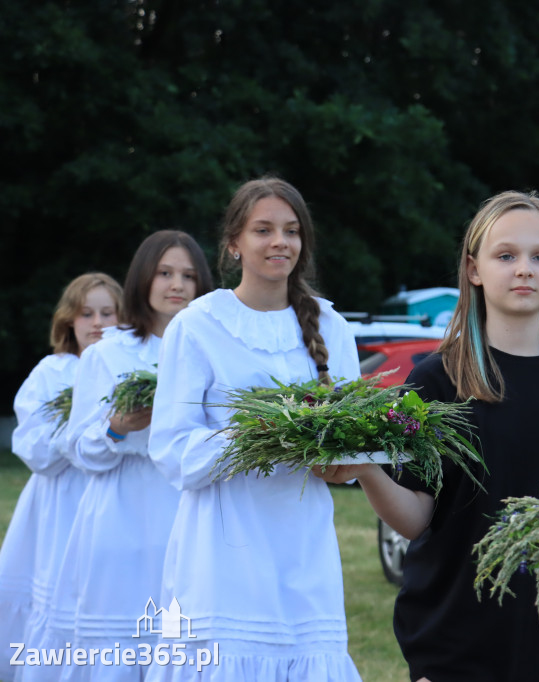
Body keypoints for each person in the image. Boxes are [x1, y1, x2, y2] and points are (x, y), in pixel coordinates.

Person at [315, 190, 539, 682]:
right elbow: (415, 519)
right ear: (474, 269)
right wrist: (366, 466)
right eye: (506, 255)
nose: (524, 269)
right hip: (454, 646)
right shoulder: (436, 382)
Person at [147, 178, 363, 680]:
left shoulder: (332, 326)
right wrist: (254, 436)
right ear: (233, 243)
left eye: (291, 231)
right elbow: (171, 448)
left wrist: (341, 461)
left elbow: (349, 454)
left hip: (303, 538)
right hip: (223, 545)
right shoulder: (197, 325)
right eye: (263, 229)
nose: (279, 242)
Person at [24, 231, 212, 682]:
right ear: (142, 277)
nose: (177, 285)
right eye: (165, 272)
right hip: (123, 510)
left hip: (190, 506)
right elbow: (78, 448)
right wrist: (117, 427)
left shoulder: (211, 348)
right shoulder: (109, 352)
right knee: (121, 635)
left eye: (188, 275)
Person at [0, 273, 122, 681]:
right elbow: (34, 447)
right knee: (58, 591)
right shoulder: (54, 372)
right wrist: (80, 429)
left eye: (108, 313)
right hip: (61, 500)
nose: (97, 323)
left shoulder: (128, 371)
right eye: (87, 313)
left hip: (110, 498)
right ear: (68, 320)